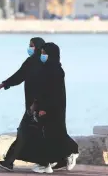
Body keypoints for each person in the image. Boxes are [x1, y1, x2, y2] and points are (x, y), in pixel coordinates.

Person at [0, 37, 45, 172]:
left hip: (37, 106)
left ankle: (9, 161)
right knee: (31, 133)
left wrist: (36, 104)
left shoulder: (44, 64)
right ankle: (9, 161)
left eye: (31, 46)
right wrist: (2, 85)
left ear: (38, 47)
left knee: (24, 132)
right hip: (33, 106)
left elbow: (46, 86)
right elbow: (19, 76)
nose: (29, 48)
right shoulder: (31, 62)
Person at [31, 42, 79, 174]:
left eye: (44, 53)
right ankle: (59, 158)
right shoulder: (49, 68)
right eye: (42, 53)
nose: (42, 56)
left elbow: (52, 92)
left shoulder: (54, 70)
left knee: (52, 133)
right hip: (51, 106)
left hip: (52, 107)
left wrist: (44, 108)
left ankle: (48, 162)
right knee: (54, 132)